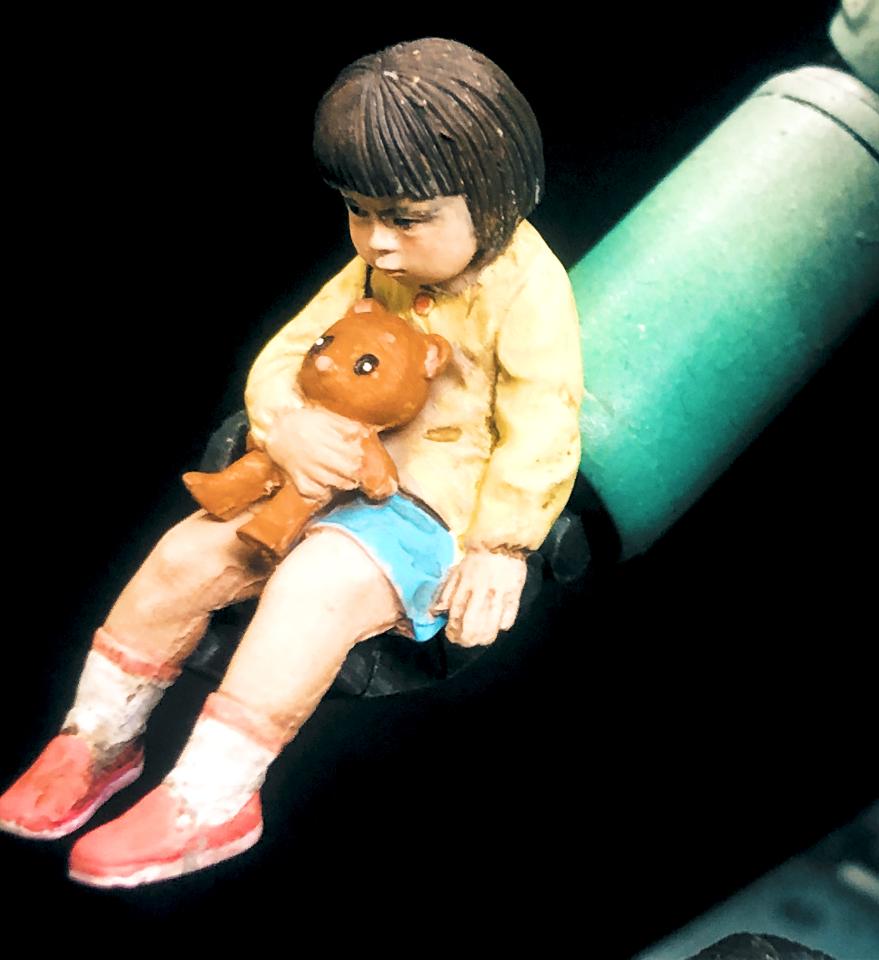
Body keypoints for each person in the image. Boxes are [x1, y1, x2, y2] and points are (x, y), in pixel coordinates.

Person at [0, 37, 582, 887]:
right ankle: (99, 736)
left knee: (314, 587)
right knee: (187, 555)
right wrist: (286, 425)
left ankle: (214, 793)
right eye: (359, 211)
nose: (378, 243)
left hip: (432, 505)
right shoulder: (370, 270)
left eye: (407, 218)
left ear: (492, 198)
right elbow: (285, 355)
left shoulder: (529, 291)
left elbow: (546, 418)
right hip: (320, 474)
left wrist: (502, 545)